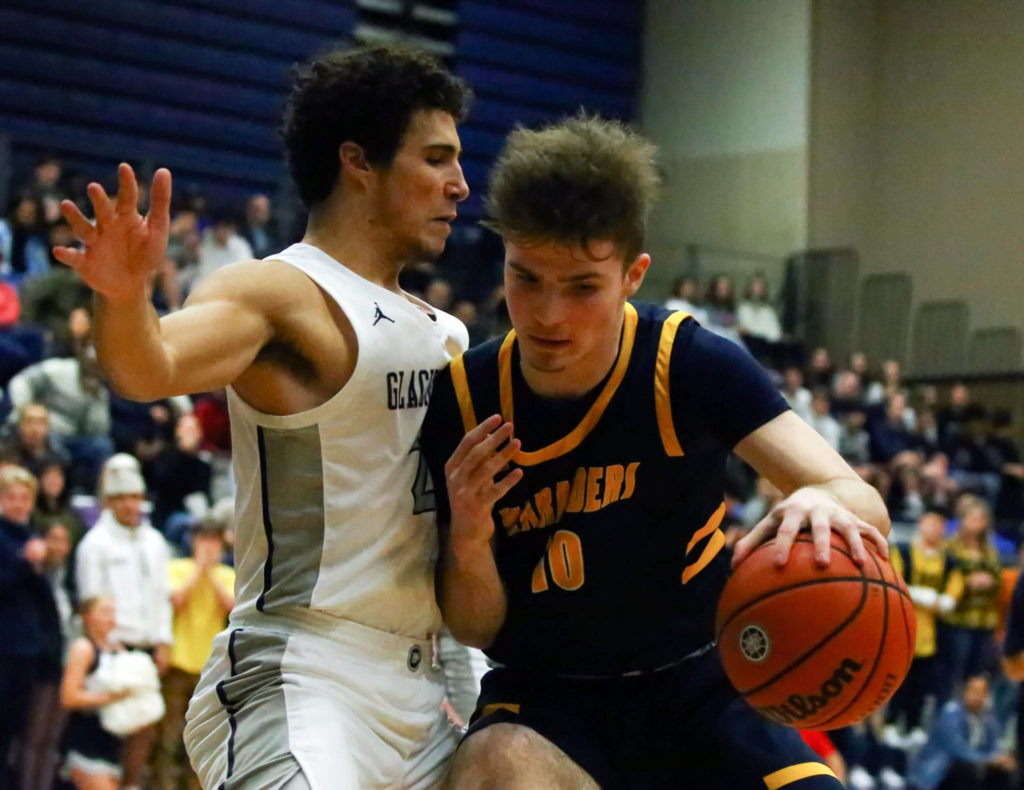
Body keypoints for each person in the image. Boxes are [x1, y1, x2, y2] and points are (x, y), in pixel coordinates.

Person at [419, 114, 890, 789]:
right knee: (493, 770)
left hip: (700, 683)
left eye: (582, 286)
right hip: (550, 702)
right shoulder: (464, 401)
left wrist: (819, 497)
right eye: (526, 278)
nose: (548, 313)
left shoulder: (689, 363)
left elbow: (862, 502)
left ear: (633, 274)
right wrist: (467, 536)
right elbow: (474, 626)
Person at [56, 42, 473, 789]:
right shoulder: (277, 293)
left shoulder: (448, 335)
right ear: (360, 163)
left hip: (438, 676)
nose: (461, 186)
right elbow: (148, 366)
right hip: (308, 672)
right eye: (437, 159)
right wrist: (123, 298)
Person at [75, 453, 172, 788]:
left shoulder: (155, 541)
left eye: (136, 497)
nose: (132, 505)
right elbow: (90, 596)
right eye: (124, 498)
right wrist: (105, 645)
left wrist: (164, 639)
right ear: (110, 502)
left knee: (144, 721)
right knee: (112, 722)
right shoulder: (95, 544)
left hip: (146, 644)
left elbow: (162, 595)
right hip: (113, 645)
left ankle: (131, 783)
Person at [153, 517, 235, 790]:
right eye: (204, 540)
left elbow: (231, 608)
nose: (209, 547)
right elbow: (175, 601)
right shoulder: (176, 568)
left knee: (202, 739)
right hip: (177, 663)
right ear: (194, 542)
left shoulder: (228, 575)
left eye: (214, 541)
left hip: (209, 669)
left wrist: (210, 573)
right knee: (168, 737)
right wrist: (199, 570)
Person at [0, 465, 61, 790]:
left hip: (27, 648)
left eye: (25, 498)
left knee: (16, 731)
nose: (19, 504)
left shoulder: (29, 536)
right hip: (4, 647)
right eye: (11, 497)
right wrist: (25, 563)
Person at [60, 596, 133, 790]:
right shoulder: (83, 648)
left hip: (113, 743)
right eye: (104, 612)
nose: (110, 618)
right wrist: (109, 698)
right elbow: (69, 697)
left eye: (112, 612)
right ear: (87, 617)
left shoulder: (119, 649)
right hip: (86, 741)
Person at [906, 675, 1015, 790]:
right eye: (973, 691)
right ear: (964, 692)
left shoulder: (987, 718)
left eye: (981, 692)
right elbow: (956, 748)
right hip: (943, 768)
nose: (977, 696)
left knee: (1003, 771)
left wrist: (999, 759)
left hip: (973, 767)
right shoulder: (951, 712)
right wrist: (987, 759)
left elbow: (994, 744)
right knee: (967, 769)